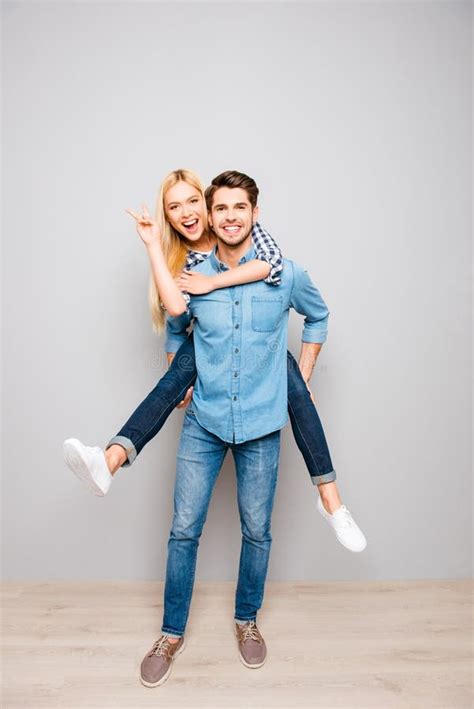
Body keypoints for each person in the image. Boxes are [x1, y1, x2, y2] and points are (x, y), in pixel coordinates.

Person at [138, 170, 364, 688]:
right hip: (204, 422)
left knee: (257, 531)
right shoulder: (194, 271)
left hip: (262, 423)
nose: (231, 216)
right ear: (211, 218)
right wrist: (179, 372)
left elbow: (319, 316)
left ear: (255, 213)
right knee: (183, 531)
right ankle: (171, 634)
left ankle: (247, 621)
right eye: (221, 209)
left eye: (241, 207)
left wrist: (300, 378)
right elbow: (175, 323)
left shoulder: (284, 273)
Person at [64, 170, 365, 556]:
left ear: (207, 209)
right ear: (169, 217)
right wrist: (154, 245)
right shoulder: (183, 261)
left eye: (192, 202)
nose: (187, 213)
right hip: (208, 350)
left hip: (259, 351)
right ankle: (109, 460)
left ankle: (331, 499)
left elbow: (272, 265)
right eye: (174, 207)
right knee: (173, 377)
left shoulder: (244, 232)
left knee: (295, 383)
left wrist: (212, 284)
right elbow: (175, 315)